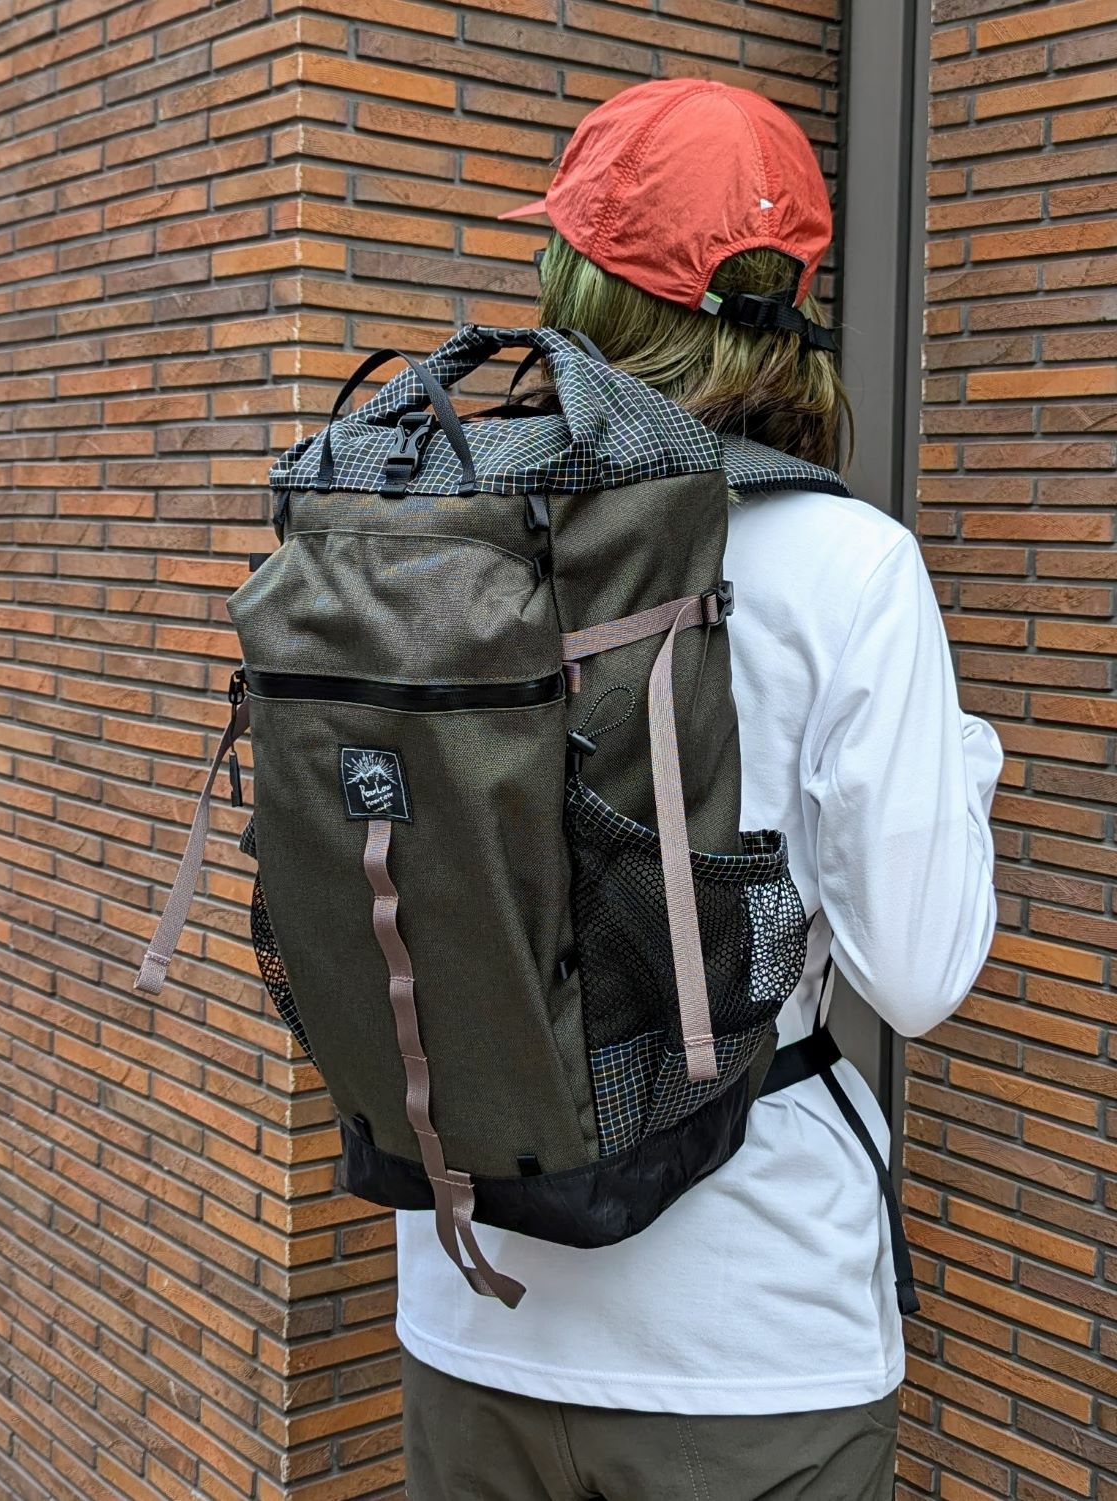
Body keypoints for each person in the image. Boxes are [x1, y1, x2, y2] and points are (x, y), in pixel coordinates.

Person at [396, 78, 1004, 1501]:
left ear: (577, 288)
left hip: (471, 1306)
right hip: (748, 1345)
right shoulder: (850, 566)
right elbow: (918, 976)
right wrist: (962, 762)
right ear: (788, 304)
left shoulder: (441, 523)